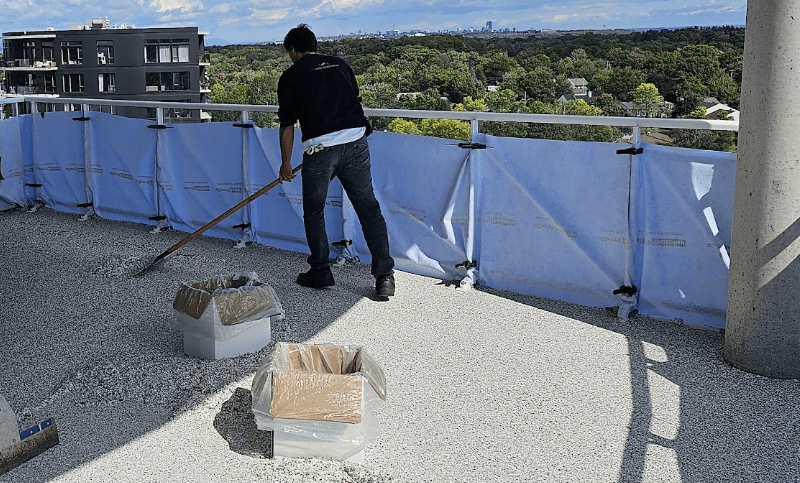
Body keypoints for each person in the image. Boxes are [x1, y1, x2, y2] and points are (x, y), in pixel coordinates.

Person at [277, 24, 395, 298]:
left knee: (315, 210)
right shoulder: (340, 64)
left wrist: (285, 165)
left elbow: (287, 125)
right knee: (368, 208)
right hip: (356, 142)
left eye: (290, 52)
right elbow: (353, 99)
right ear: (314, 45)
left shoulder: (291, 76)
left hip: (320, 151)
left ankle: (321, 271)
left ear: (293, 51)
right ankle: (385, 276)